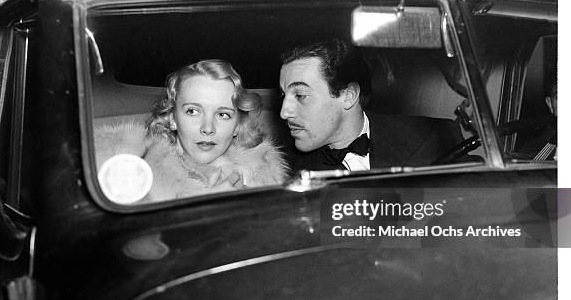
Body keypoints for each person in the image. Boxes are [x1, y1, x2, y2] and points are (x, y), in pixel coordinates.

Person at [95, 59, 288, 201]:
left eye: (223, 115)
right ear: (172, 118)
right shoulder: (127, 169)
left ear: (237, 126)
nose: (208, 128)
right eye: (193, 111)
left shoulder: (260, 180)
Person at [279, 39, 463, 172]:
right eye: (283, 95)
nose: (284, 112)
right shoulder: (287, 174)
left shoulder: (436, 137)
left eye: (301, 95)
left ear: (348, 96)